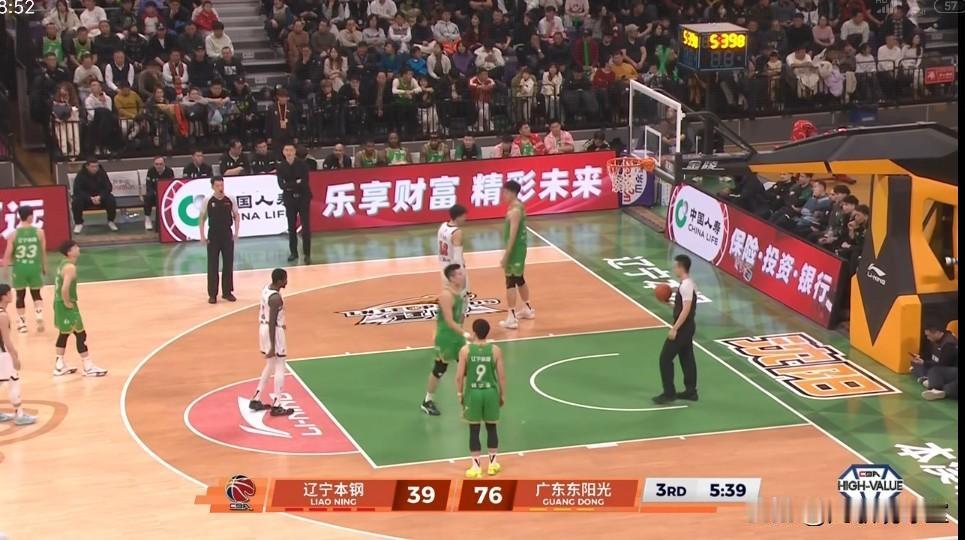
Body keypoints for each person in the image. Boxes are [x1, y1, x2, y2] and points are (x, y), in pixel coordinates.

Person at [456, 318, 505, 478]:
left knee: (474, 430)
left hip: (473, 393)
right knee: (492, 428)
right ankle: (492, 465)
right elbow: (501, 376)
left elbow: (459, 377)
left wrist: (460, 394)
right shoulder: (495, 350)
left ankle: (476, 468)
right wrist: (502, 394)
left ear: (474, 332)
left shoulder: (465, 351)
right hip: (490, 392)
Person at [53, 240, 107, 377]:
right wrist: (67, 302)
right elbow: (65, 288)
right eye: (75, 247)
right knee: (80, 334)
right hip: (65, 303)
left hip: (58, 302)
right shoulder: (70, 267)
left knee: (64, 333)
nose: (78, 248)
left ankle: (59, 365)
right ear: (69, 252)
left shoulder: (63, 263)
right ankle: (88, 366)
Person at [421, 263, 468, 416]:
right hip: (446, 337)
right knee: (440, 369)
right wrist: (467, 334)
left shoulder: (459, 293)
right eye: (459, 274)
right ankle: (427, 401)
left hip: (456, 336)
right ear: (452, 278)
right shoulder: (446, 296)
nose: (463, 275)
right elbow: (449, 321)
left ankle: (469, 398)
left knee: (467, 366)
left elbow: (458, 317)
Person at [248, 268, 295, 416]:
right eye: (285, 279)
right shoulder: (275, 299)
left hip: (263, 327)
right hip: (273, 331)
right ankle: (277, 404)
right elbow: (273, 322)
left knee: (270, 364)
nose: (287, 282)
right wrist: (273, 346)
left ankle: (256, 398)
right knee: (280, 365)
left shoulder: (266, 289)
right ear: (280, 281)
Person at [653, 255, 698, 404]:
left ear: (681, 267)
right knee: (687, 358)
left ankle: (669, 393)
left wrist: (674, 329)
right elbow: (685, 307)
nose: (674, 268)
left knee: (665, 358)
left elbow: (686, 309)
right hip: (688, 326)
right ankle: (691, 392)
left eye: (676, 266)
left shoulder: (685, 286)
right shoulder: (688, 284)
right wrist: (671, 305)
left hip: (683, 328)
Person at [3, 207, 47, 334]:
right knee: (36, 294)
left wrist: (5, 270)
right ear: (29, 216)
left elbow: (7, 254)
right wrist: (44, 267)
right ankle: (39, 315)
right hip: (34, 267)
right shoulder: (39, 232)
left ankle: (22, 324)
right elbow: (43, 252)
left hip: (20, 268)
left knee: (20, 295)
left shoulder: (13, 234)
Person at [499, 181, 534, 330]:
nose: (503, 195)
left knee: (510, 281)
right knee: (519, 279)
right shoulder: (516, 206)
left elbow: (513, 234)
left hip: (515, 250)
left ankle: (511, 317)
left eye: (506, 192)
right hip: (519, 249)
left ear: (513, 192)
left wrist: (506, 255)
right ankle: (528, 309)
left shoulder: (515, 211)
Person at [198, 177, 240, 303]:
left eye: (222, 185)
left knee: (228, 263)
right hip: (213, 235)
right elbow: (202, 217)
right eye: (217, 186)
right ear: (212, 187)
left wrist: (236, 232)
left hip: (227, 234)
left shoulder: (230, 199)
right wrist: (202, 236)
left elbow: (236, 215)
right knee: (212, 265)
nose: (220, 188)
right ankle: (212, 294)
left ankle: (227, 292)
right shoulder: (208, 200)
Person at [0, 284, 36, 425]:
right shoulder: (3, 316)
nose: (12, 295)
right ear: (4, 296)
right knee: (13, 382)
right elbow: (7, 341)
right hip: (3, 355)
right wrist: (15, 357)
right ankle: (20, 415)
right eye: (10, 293)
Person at [276, 144, 312, 264]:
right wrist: (295, 182)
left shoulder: (302, 165)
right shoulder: (281, 166)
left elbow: (304, 182)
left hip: (303, 197)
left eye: (291, 150)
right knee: (291, 227)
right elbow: (281, 185)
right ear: (283, 152)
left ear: (295, 151)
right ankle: (293, 253)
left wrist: (290, 185)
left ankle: (307, 254)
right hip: (289, 199)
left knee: (306, 227)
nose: (289, 152)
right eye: (286, 150)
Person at [71, 158, 118, 234]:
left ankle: (111, 221)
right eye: (92, 166)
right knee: (76, 202)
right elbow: (77, 190)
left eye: (96, 166)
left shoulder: (102, 173)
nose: (95, 168)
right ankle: (78, 223)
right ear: (87, 166)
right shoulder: (80, 175)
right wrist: (90, 198)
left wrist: (100, 196)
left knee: (111, 200)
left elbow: (108, 187)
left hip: (100, 198)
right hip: (86, 199)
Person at [913, 324, 958, 400]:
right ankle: (931, 382)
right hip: (941, 368)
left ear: (937, 333)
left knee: (935, 371)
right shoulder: (935, 340)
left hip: (950, 370)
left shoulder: (949, 344)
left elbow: (942, 365)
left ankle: (935, 387)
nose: (927, 338)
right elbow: (930, 357)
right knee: (916, 365)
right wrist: (921, 359)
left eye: (929, 335)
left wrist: (925, 363)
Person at [438, 204, 468, 297]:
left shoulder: (442, 227)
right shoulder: (456, 232)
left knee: (449, 296)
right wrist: (460, 272)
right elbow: (457, 256)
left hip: (443, 267)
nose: (465, 219)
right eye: (463, 216)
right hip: (454, 271)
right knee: (461, 298)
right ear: (458, 217)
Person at [144, 156, 174, 231]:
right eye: (157, 164)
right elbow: (149, 185)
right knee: (148, 197)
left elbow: (171, 185)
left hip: (165, 195)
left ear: (164, 164)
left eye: (161, 164)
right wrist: (154, 192)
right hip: (154, 195)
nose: (159, 166)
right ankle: (147, 218)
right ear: (154, 164)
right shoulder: (151, 171)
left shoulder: (169, 171)